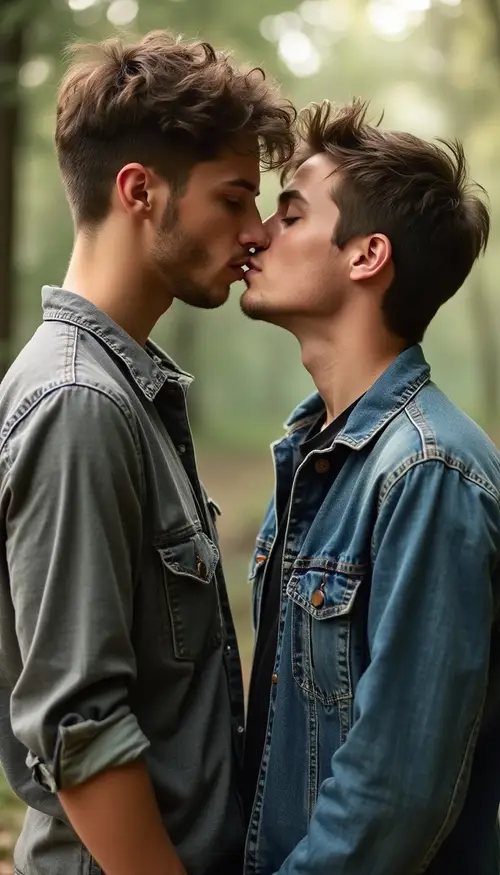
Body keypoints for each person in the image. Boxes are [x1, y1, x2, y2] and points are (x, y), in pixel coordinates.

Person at [0, 30, 295, 875]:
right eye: (234, 198)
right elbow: (78, 725)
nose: (253, 232)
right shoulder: (79, 405)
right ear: (139, 191)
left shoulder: (124, 391)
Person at [240, 98, 500, 875]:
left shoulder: (428, 474)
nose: (257, 233)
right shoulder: (316, 455)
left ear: (366, 256)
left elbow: (394, 798)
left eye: (290, 214)